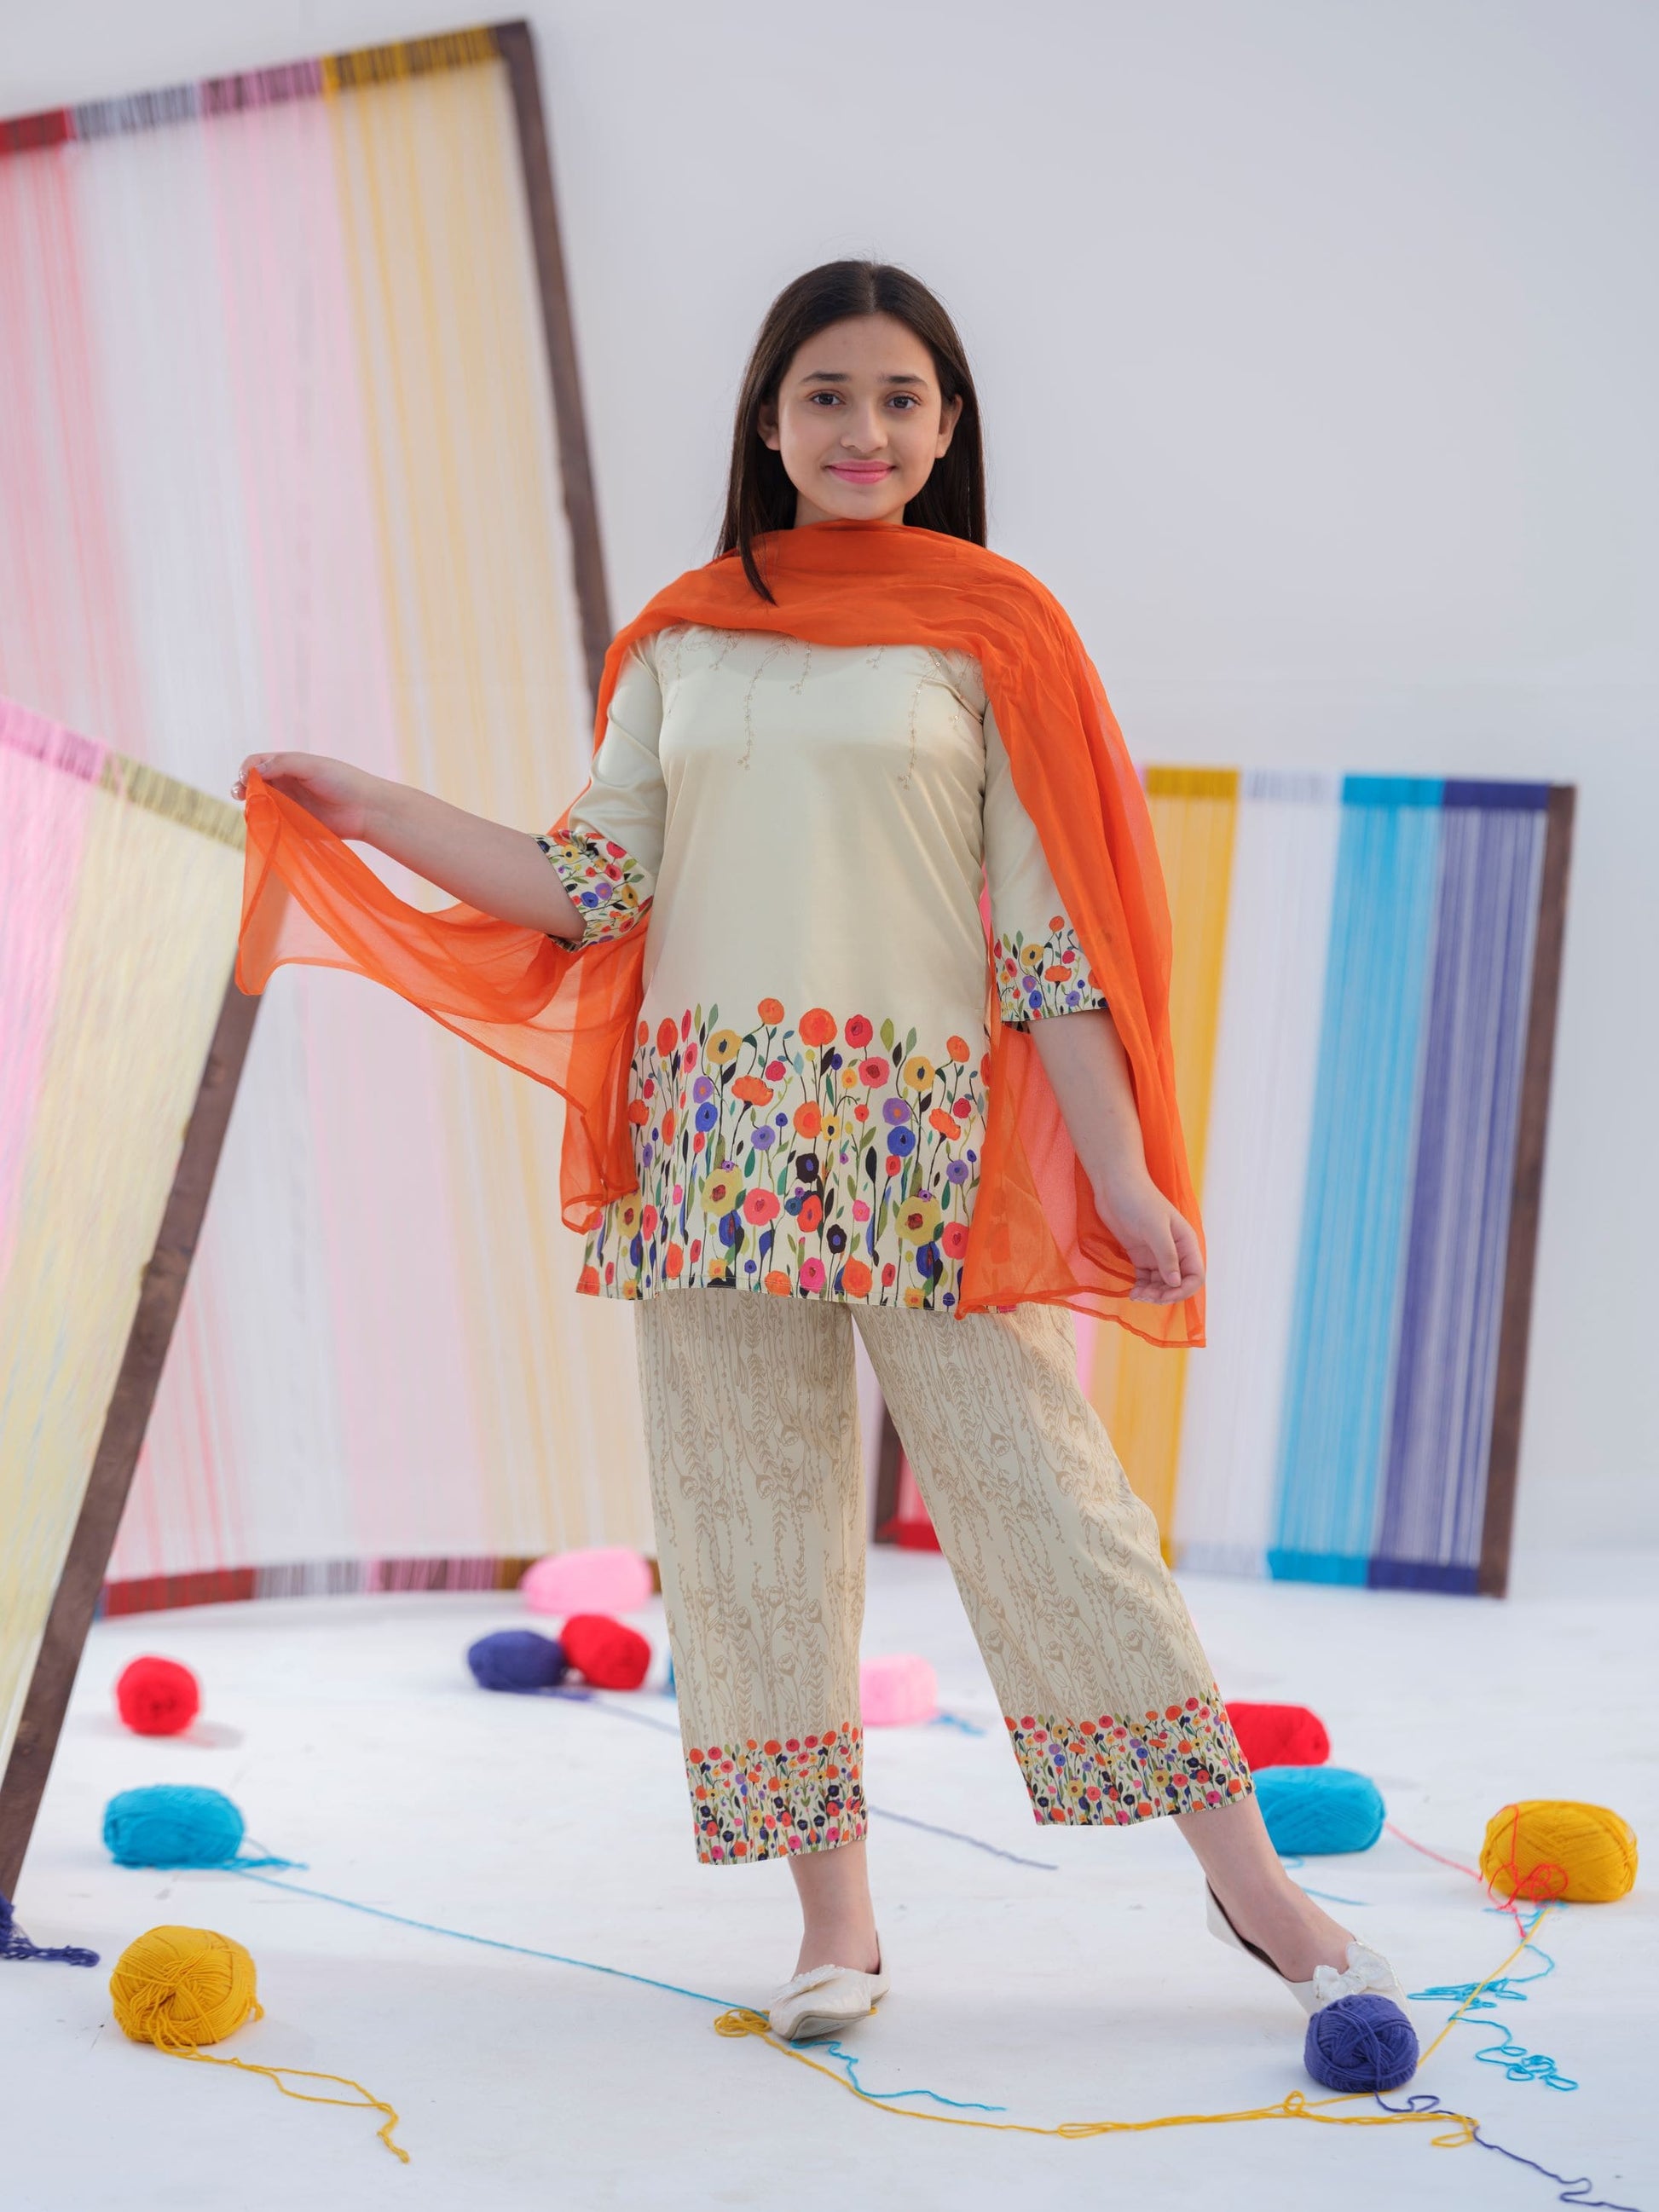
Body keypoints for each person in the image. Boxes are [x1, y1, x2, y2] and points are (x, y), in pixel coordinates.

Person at [233, 261, 1416, 2084]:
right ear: (767, 421)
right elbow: (589, 887)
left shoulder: (992, 631)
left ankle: (1251, 1887)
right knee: (749, 1531)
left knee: (1053, 1508)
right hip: (709, 1143)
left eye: (897, 398)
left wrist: (1117, 1171)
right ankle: (833, 1920)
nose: (862, 430)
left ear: (946, 428)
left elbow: (1048, 938)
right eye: (826, 395)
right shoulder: (684, 638)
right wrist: (375, 806)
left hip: (923, 1142)